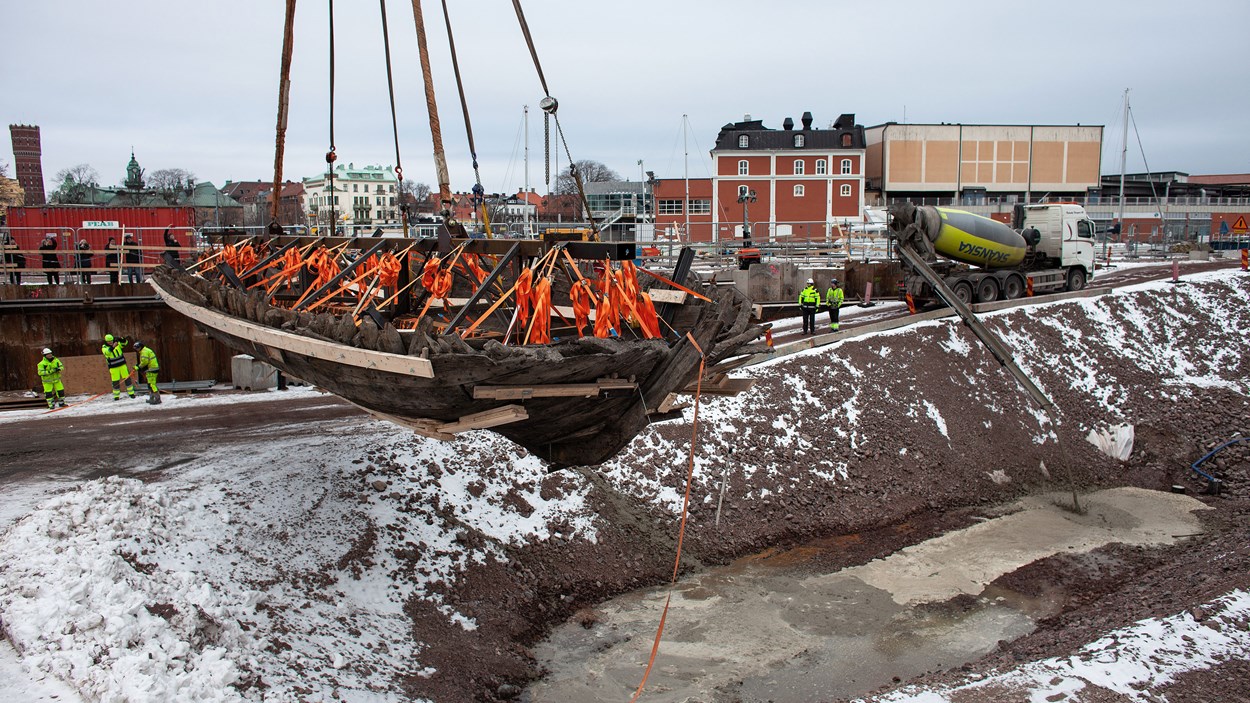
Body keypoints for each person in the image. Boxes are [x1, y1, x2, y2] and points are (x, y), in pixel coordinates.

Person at [101, 333, 136, 400]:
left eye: (111, 340)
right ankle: (116, 396)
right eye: (109, 341)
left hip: (122, 365)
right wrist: (113, 346)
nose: (110, 342)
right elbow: (108, 352)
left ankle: (131, 393)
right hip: (113, 367)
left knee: (127, 379)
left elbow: (125, 343)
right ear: (106, 341)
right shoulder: (104, 347)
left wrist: (121, 339)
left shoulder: (117, 343)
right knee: (115, 381)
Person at [133, 340, 162, 405]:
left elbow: (144, 362)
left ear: (140, 347)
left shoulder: (144, 352)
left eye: (137, 348)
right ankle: (152, 398)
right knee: (150, 385)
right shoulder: (145, 350)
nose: (136, 349)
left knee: (152, 385)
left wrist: (138, 367)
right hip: (152, 369)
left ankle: (157, 399)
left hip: (152, 369)